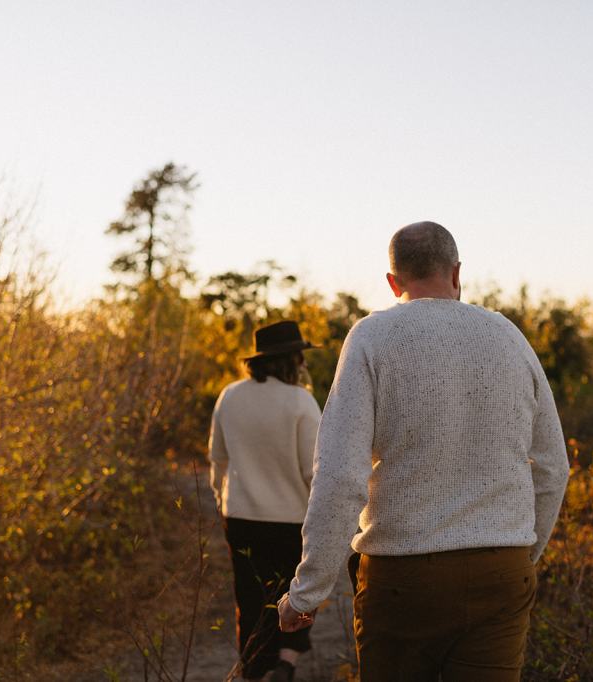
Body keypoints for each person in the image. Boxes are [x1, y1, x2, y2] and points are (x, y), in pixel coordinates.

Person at [278, 222, 571, 681]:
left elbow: (340, 476)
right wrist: (521, 555)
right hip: (502, 572)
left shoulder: (372, 337)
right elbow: (554, 467)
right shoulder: (510, 336)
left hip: (403, 579)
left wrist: (307, 591)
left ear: (393, 283)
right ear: (456, 273)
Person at [208, 320, 321, 682]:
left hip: (240, 517)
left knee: (251, 599)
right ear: (292, 360)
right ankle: (285, 664)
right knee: (297, 592)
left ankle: (254, 672)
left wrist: (223, 503)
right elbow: (314, 471)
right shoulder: (300, 402)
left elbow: (218, 460)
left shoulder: (230, 396)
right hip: (292, 520)